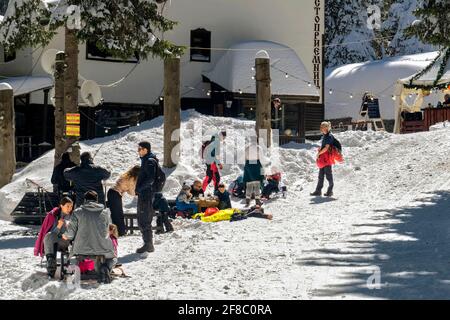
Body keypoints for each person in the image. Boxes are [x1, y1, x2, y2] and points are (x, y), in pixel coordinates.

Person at [62, 191, 116, 284]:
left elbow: (70, 233)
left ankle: (82, 269)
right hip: (102, 247)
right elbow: (108, 230)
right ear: (97, 200)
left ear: (85, 200)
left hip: (81, 248)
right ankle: (105, 267)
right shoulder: (105, 213)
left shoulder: (77, 212)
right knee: (113, 258)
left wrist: (65, 235)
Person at [34, 197, 74, 278]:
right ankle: (51, 264)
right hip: (55, 241)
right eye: (68, 206)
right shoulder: (54, 215)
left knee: (50, 238)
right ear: (61, 206)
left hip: (67, 242)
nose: (70, 208)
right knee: (49, 236)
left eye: (71, 206)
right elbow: (52, 234)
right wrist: (59, 227)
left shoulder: (73, 216)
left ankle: (51, 265)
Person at [135, 141, 158, 254]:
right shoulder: (147, 160)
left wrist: (139, 188)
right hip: (145, 194)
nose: (138, 151)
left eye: (140, 149)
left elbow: (150, 179)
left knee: (144, 219)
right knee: (143, 219)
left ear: (145, 149)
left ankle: (148, 244)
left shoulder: (149, 161)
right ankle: (148, 244)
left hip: (146, 194)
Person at [107, 165, 140, 237]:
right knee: (118, 215)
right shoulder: (131, 178)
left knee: (116, 214)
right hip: (115, 194)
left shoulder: (127, 175)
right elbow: (131, 191)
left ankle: (118, 232)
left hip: (112, 193)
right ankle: (121, 232)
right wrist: (138, 194)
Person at [311, 121, 336, 197]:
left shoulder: (329, 136)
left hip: (327, 159)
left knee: (328, 176)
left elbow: (326, 148)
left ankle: (330, 191)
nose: (321, 128)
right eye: (321, 126)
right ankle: (318, 191)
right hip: (323, 159)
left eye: (322, 127)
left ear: (326, 128)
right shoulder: (325, 136)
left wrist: (319, 153)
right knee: (320, 176)